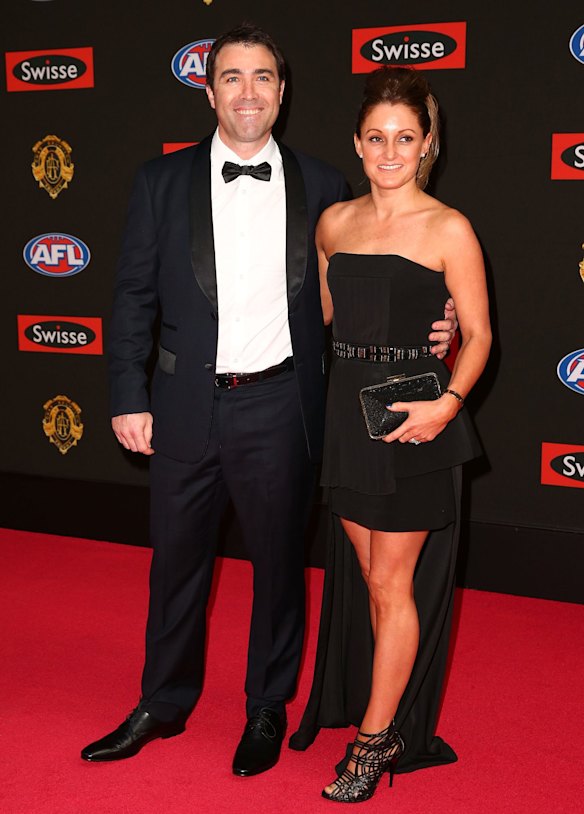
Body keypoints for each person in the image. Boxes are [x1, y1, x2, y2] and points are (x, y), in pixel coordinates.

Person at [81, 28, 456, 776]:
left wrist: (436, 328)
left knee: (280, 569)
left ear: (283, 94)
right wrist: (128, 393)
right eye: (231, 77)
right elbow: (130, 298)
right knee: (175, 567)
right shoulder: (160, 182)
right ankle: (162, 701)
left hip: (282, 407)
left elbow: (366, 287)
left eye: (262, 78)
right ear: (208, 89)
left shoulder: (323, 186)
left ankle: (265, 705)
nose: (247, 92)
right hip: (184, 403)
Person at [289, 67, 491, 802]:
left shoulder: (449, 227)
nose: (389, 151)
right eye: (376, 138)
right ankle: (386, 712)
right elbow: (325, 321)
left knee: (388, 580)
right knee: (374, 584)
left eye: (405, 138)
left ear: (427, 144)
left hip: (413, 415)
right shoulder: (335, 223)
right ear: (357, 141)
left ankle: (375, 740)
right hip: (349, 412)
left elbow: (479, 336)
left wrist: (449, 401)